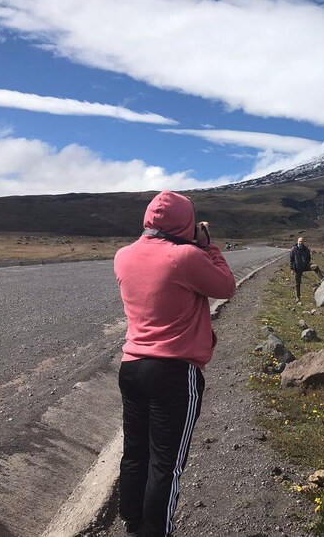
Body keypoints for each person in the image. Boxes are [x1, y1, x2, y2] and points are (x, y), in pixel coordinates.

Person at [113, 191, 236, 537]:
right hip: (174, 373)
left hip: (131, 367)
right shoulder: (185, 257)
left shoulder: (122, 256)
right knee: (166, 464)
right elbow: (226, 286)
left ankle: (132, 525)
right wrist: (207, 244)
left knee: (135, 454)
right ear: (186, 221)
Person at [289, 236, 324, 302]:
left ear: (303, 242)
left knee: (315, 267)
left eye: (302, 242)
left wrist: (306, 263)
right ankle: (298, 297)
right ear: (297, 242)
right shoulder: (294, 249)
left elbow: (308, 258)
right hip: (297, 268)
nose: (300, 243)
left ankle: (322, 279)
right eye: (299, 241)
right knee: (297, 283)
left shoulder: (306, 249)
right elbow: (291, 260)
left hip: (305, 267)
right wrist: (292, 269)